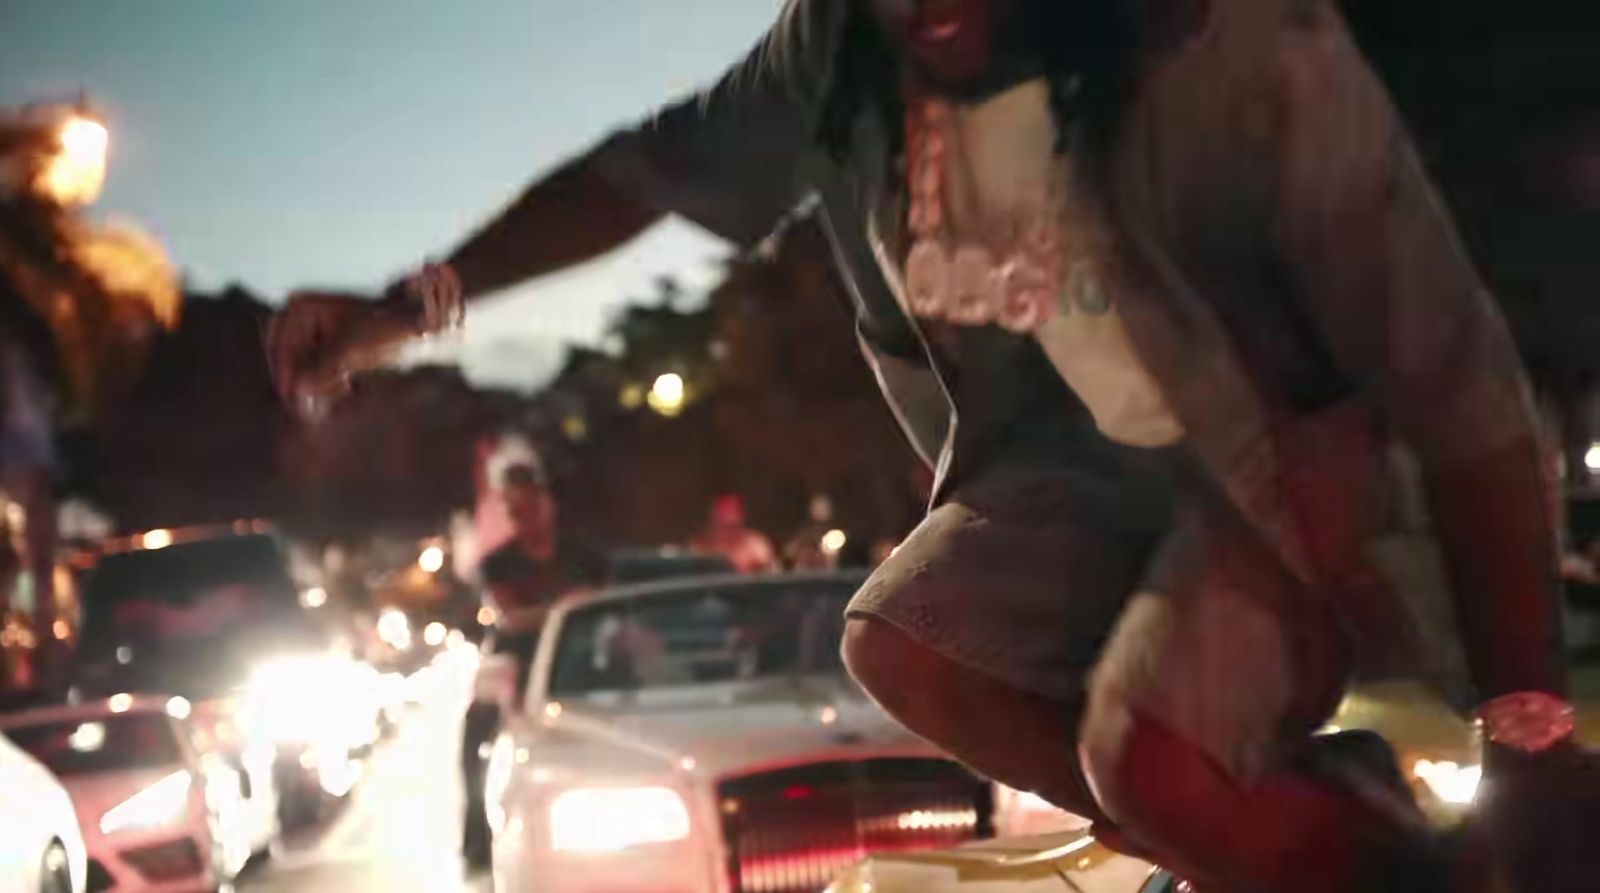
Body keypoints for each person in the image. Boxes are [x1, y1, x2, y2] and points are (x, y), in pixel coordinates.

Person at [269, 1, 1590, 889]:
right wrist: (404, 311)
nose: (930, 9)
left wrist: (1524, 723)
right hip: (1087, 478)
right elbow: (642, 174)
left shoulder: (1238, 53)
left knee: (1142, 748)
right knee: (904, 637)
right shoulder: (838, 50)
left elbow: (1456, 379)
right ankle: (1310, 821)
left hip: (1307, 459)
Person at [689, 493, 779, 573]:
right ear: (714, 521)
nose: (729, 531)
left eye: (733, 525)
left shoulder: (756, 544)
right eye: (723, 525)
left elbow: (773, 574)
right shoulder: (701, 546)